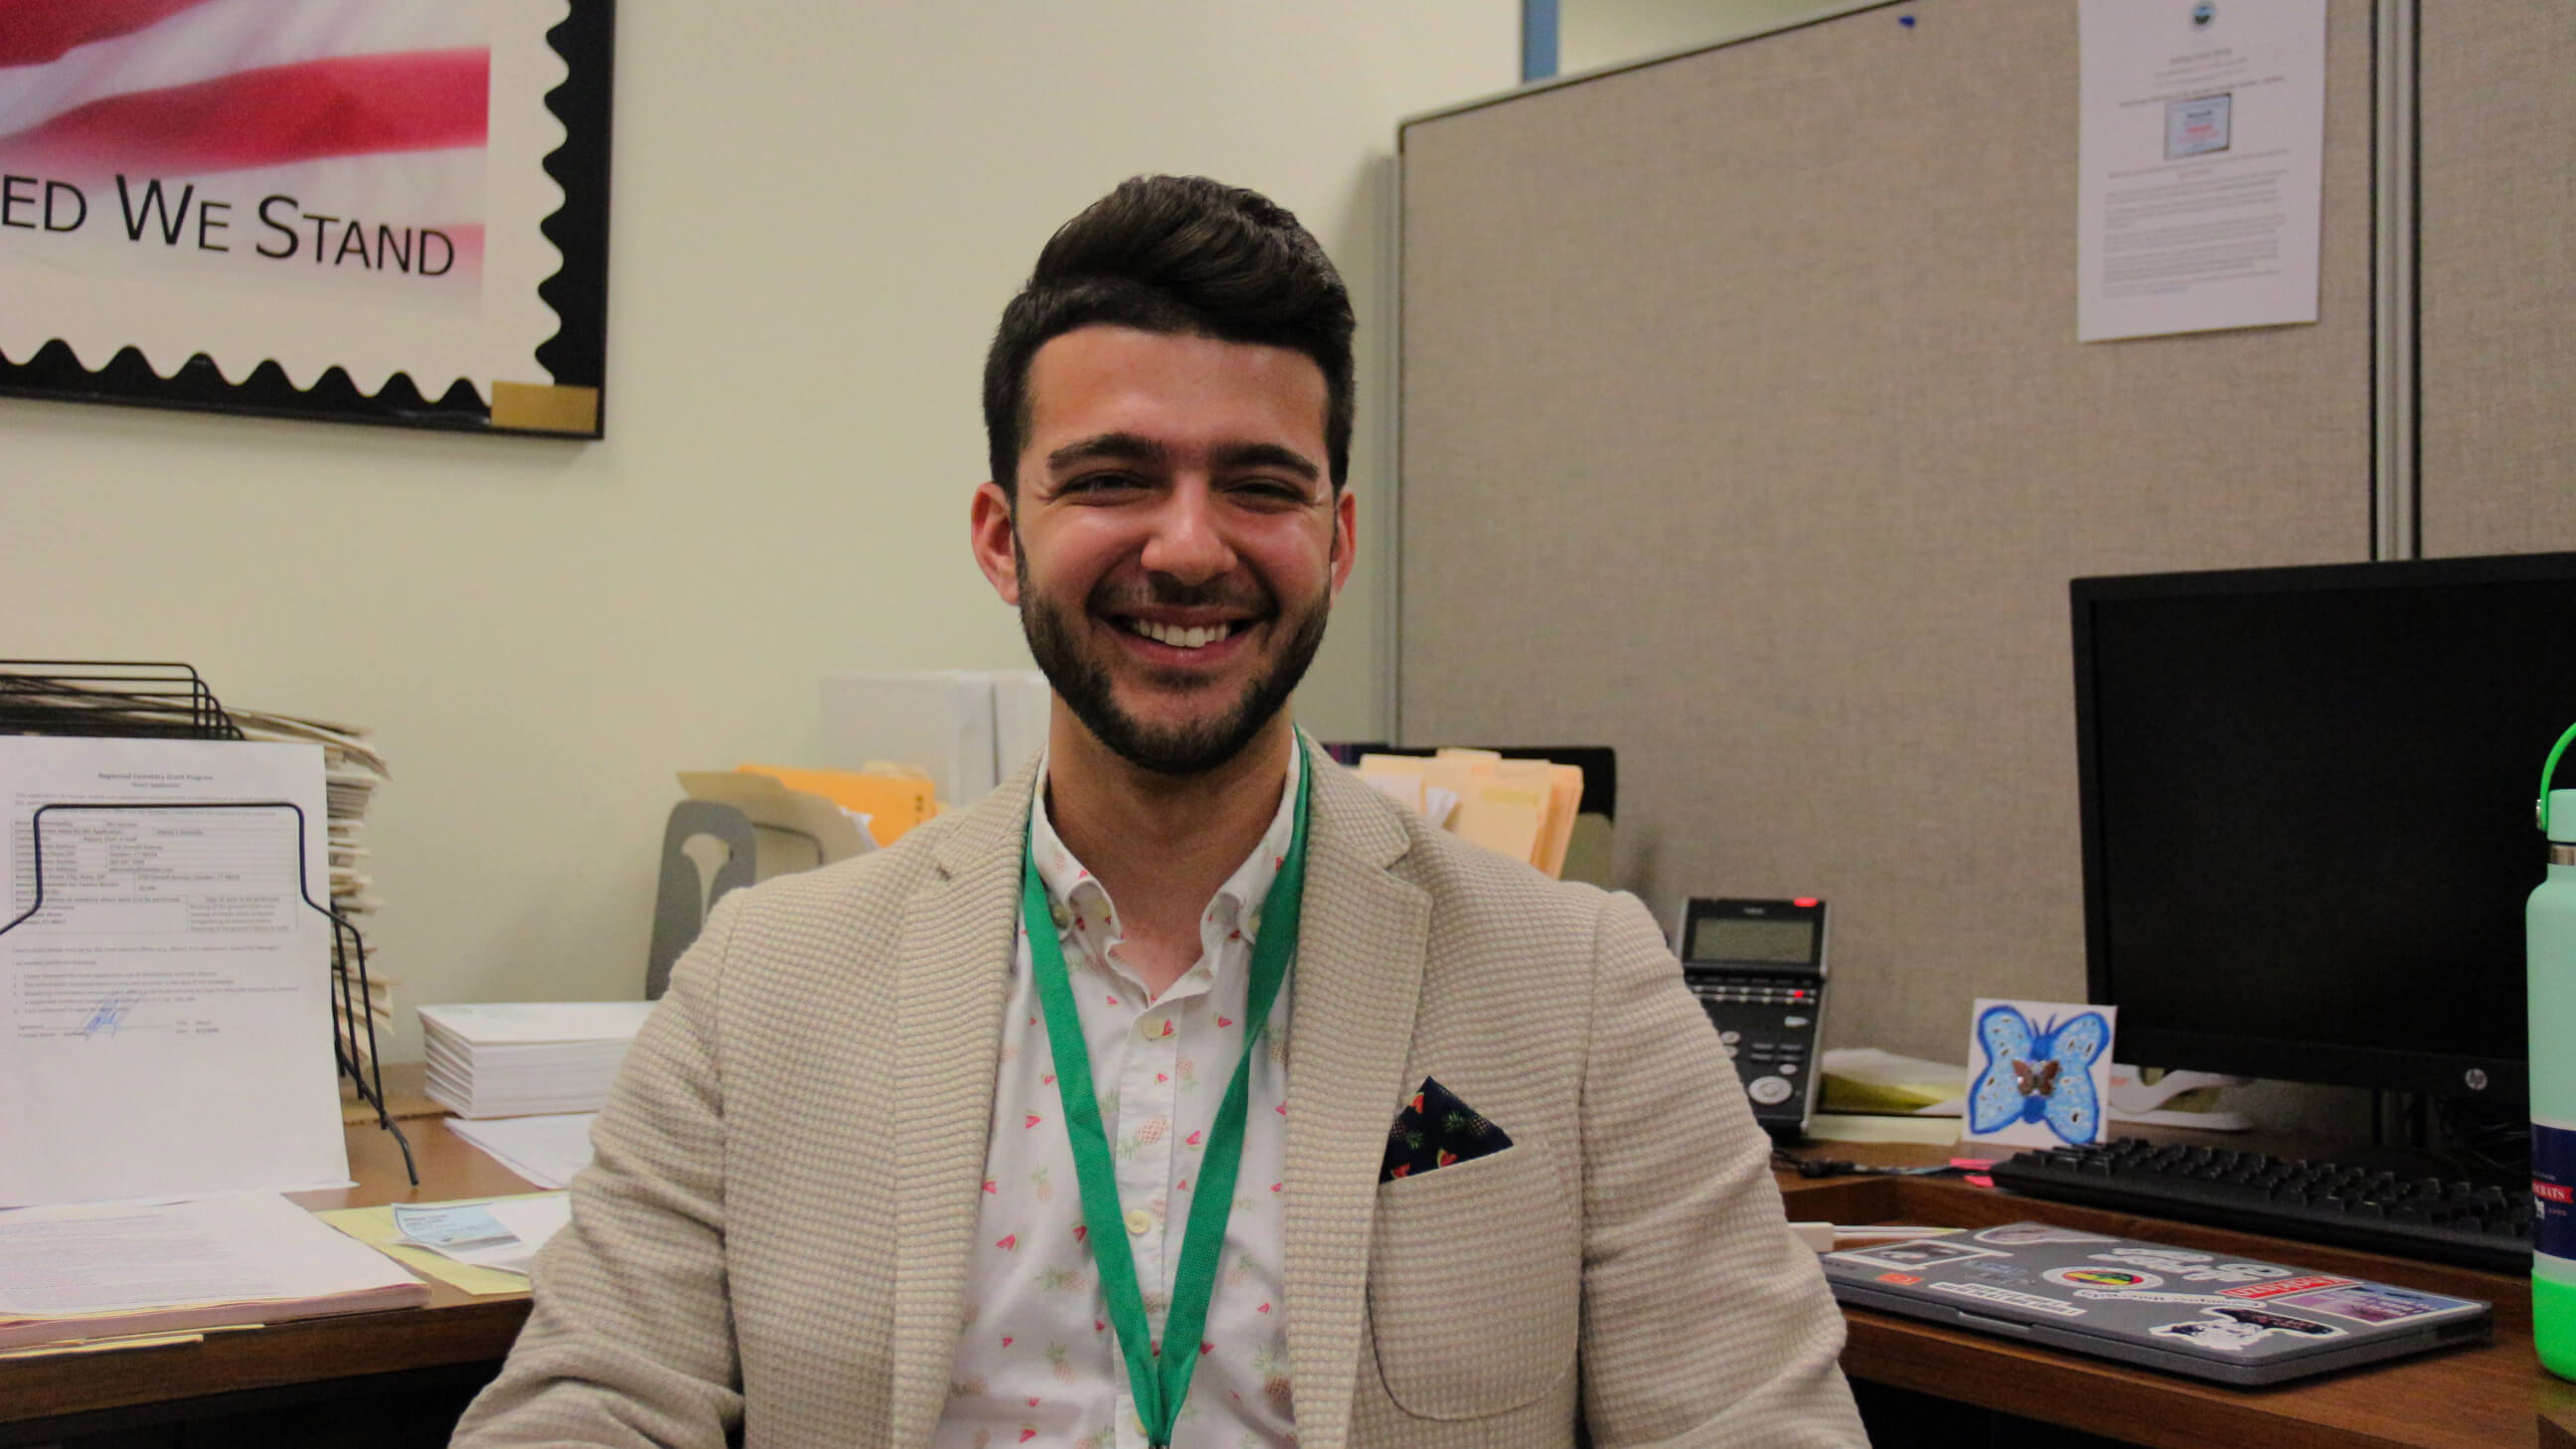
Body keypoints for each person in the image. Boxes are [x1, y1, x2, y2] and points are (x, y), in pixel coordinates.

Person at [452, 175, 1865, 1449]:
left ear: (1335, 538)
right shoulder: (760, 994)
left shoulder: (1582, 994)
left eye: (1257, 485)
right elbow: (589, 1402)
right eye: (1115, 478)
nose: (1187, 547)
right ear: (1003, 536)